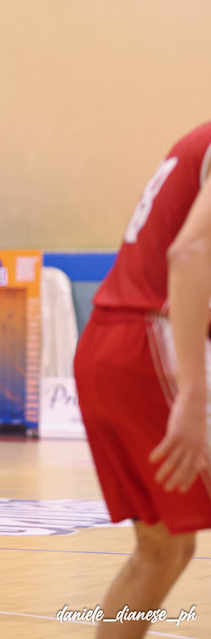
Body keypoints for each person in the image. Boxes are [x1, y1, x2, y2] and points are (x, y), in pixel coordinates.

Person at [74, 122, 211, 638]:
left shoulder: (195, 142)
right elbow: (188, 254)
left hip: (108, 343)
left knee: (164, 548)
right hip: (148, 346)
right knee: (164, 547)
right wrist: (193, 391)